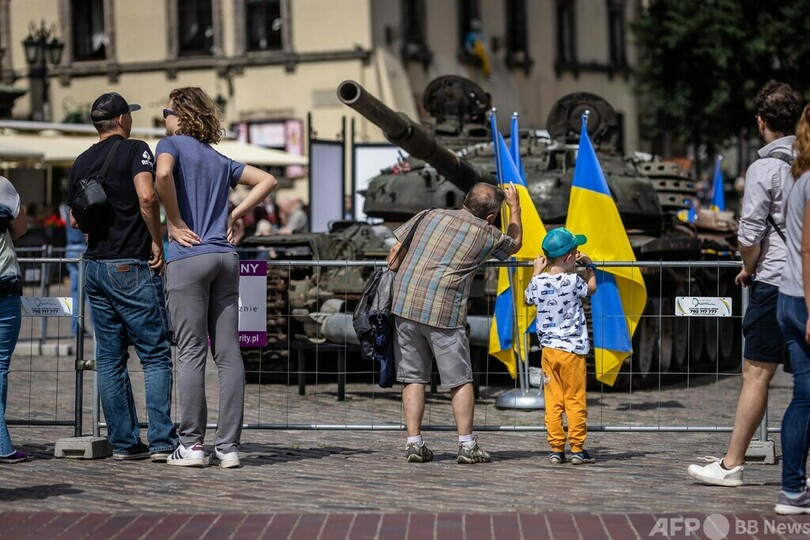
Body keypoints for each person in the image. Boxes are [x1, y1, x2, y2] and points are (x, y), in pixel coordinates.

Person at [155, 87, 277, 469]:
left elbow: (161, 175)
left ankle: (191, 445)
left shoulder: (170, 145)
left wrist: (174, 221)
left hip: (189, 256)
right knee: (228, 354)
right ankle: (228, 447)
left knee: (191, 351)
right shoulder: (218, 158)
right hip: (226, 257)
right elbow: (268, 180)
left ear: (180, 115)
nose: (164, 118)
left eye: (166, 112)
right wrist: (234, 214)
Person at [688, 80, 803, 486]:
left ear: (760, 122)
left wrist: (748, 267)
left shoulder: (764, 169)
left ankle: (732, 463)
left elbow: (749, 235)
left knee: (757, 373)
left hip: (773, 281)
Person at [67, 92, 177, 461]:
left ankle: (125, 443)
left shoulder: (81, 161)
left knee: (110, 358)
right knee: (155, 354)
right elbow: (147, 197)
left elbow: (74, 218)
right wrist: (158, 242)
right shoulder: (135, 150)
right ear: (122, 120)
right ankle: (163, 440)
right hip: (129, 262)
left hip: (95, 265)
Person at [388, 182, 522, 464]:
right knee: (459, 379)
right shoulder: (486, 232)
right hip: (443, 309)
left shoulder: (429, 214)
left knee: (413, 376)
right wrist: (515, 208)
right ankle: (467, 445)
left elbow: (395, 252)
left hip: (405, 301)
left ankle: (414, 443)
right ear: (489, 216)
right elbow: (515, 243)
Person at [524, 227, 597, 465]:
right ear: (569, 258)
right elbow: (592, 289)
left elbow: (527, 299)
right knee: (574, 399)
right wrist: (590, 266)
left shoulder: (538, 282)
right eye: (576, 254)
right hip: (572, 351)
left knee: (553, 401)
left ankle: (556, 448)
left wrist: (536, 272)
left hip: (548, 352)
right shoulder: (574, 280)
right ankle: (577, 448)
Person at [774, 104, 810, 513]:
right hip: (803, 297)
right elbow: (806, 249)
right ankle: (792, 486)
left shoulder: (799, 179)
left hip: (791, 294)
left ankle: (793, 487)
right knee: (804, 397)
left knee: (804, 396)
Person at [0, 178, 27, 464]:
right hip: (3, 282)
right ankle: (2, 445)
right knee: (0, 365)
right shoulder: (3, 186)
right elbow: (20, 228)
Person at [60, 203, 90, 335]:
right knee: (90, 293)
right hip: (82, 249)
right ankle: (97, 330)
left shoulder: (68, 208)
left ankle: (76, 328)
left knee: (76, 292)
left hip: (70, 248)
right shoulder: (86, 205)